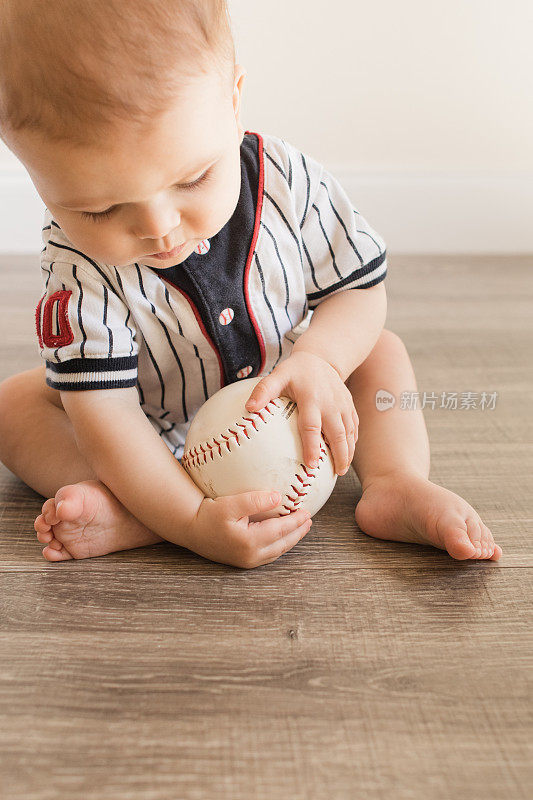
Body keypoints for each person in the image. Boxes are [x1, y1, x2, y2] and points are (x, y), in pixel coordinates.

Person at [0, 0, 501, 568]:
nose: (159, 229)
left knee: (380, 351)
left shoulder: (287, 182)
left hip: (290, 399)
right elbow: (108, 416)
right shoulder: (76, 268)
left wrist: (321, 360)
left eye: (193, 178)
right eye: (100, 209)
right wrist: (190, 522)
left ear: (233, 103)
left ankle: (394, 482)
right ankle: (154, 508)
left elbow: (359, 292)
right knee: (17, 407)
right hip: (150, 431)